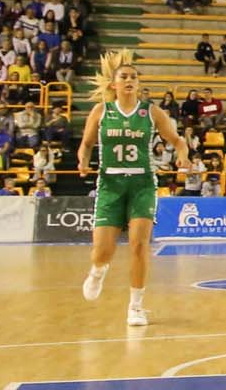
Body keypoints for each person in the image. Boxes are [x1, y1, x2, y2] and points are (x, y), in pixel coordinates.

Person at [76, 52, 189, 328]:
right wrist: (83, 161)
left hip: (142, 184)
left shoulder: (151, 112)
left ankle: (135, 306)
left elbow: (177, 139)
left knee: (139, 245)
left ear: (138, 84)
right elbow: (87, 143)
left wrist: (183, 155)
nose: (129, 80)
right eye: (124, 77)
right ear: (113, 84)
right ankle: (98, 270)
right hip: (110, 184)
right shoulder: (101, 111)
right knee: (102, 250)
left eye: (133, 77)